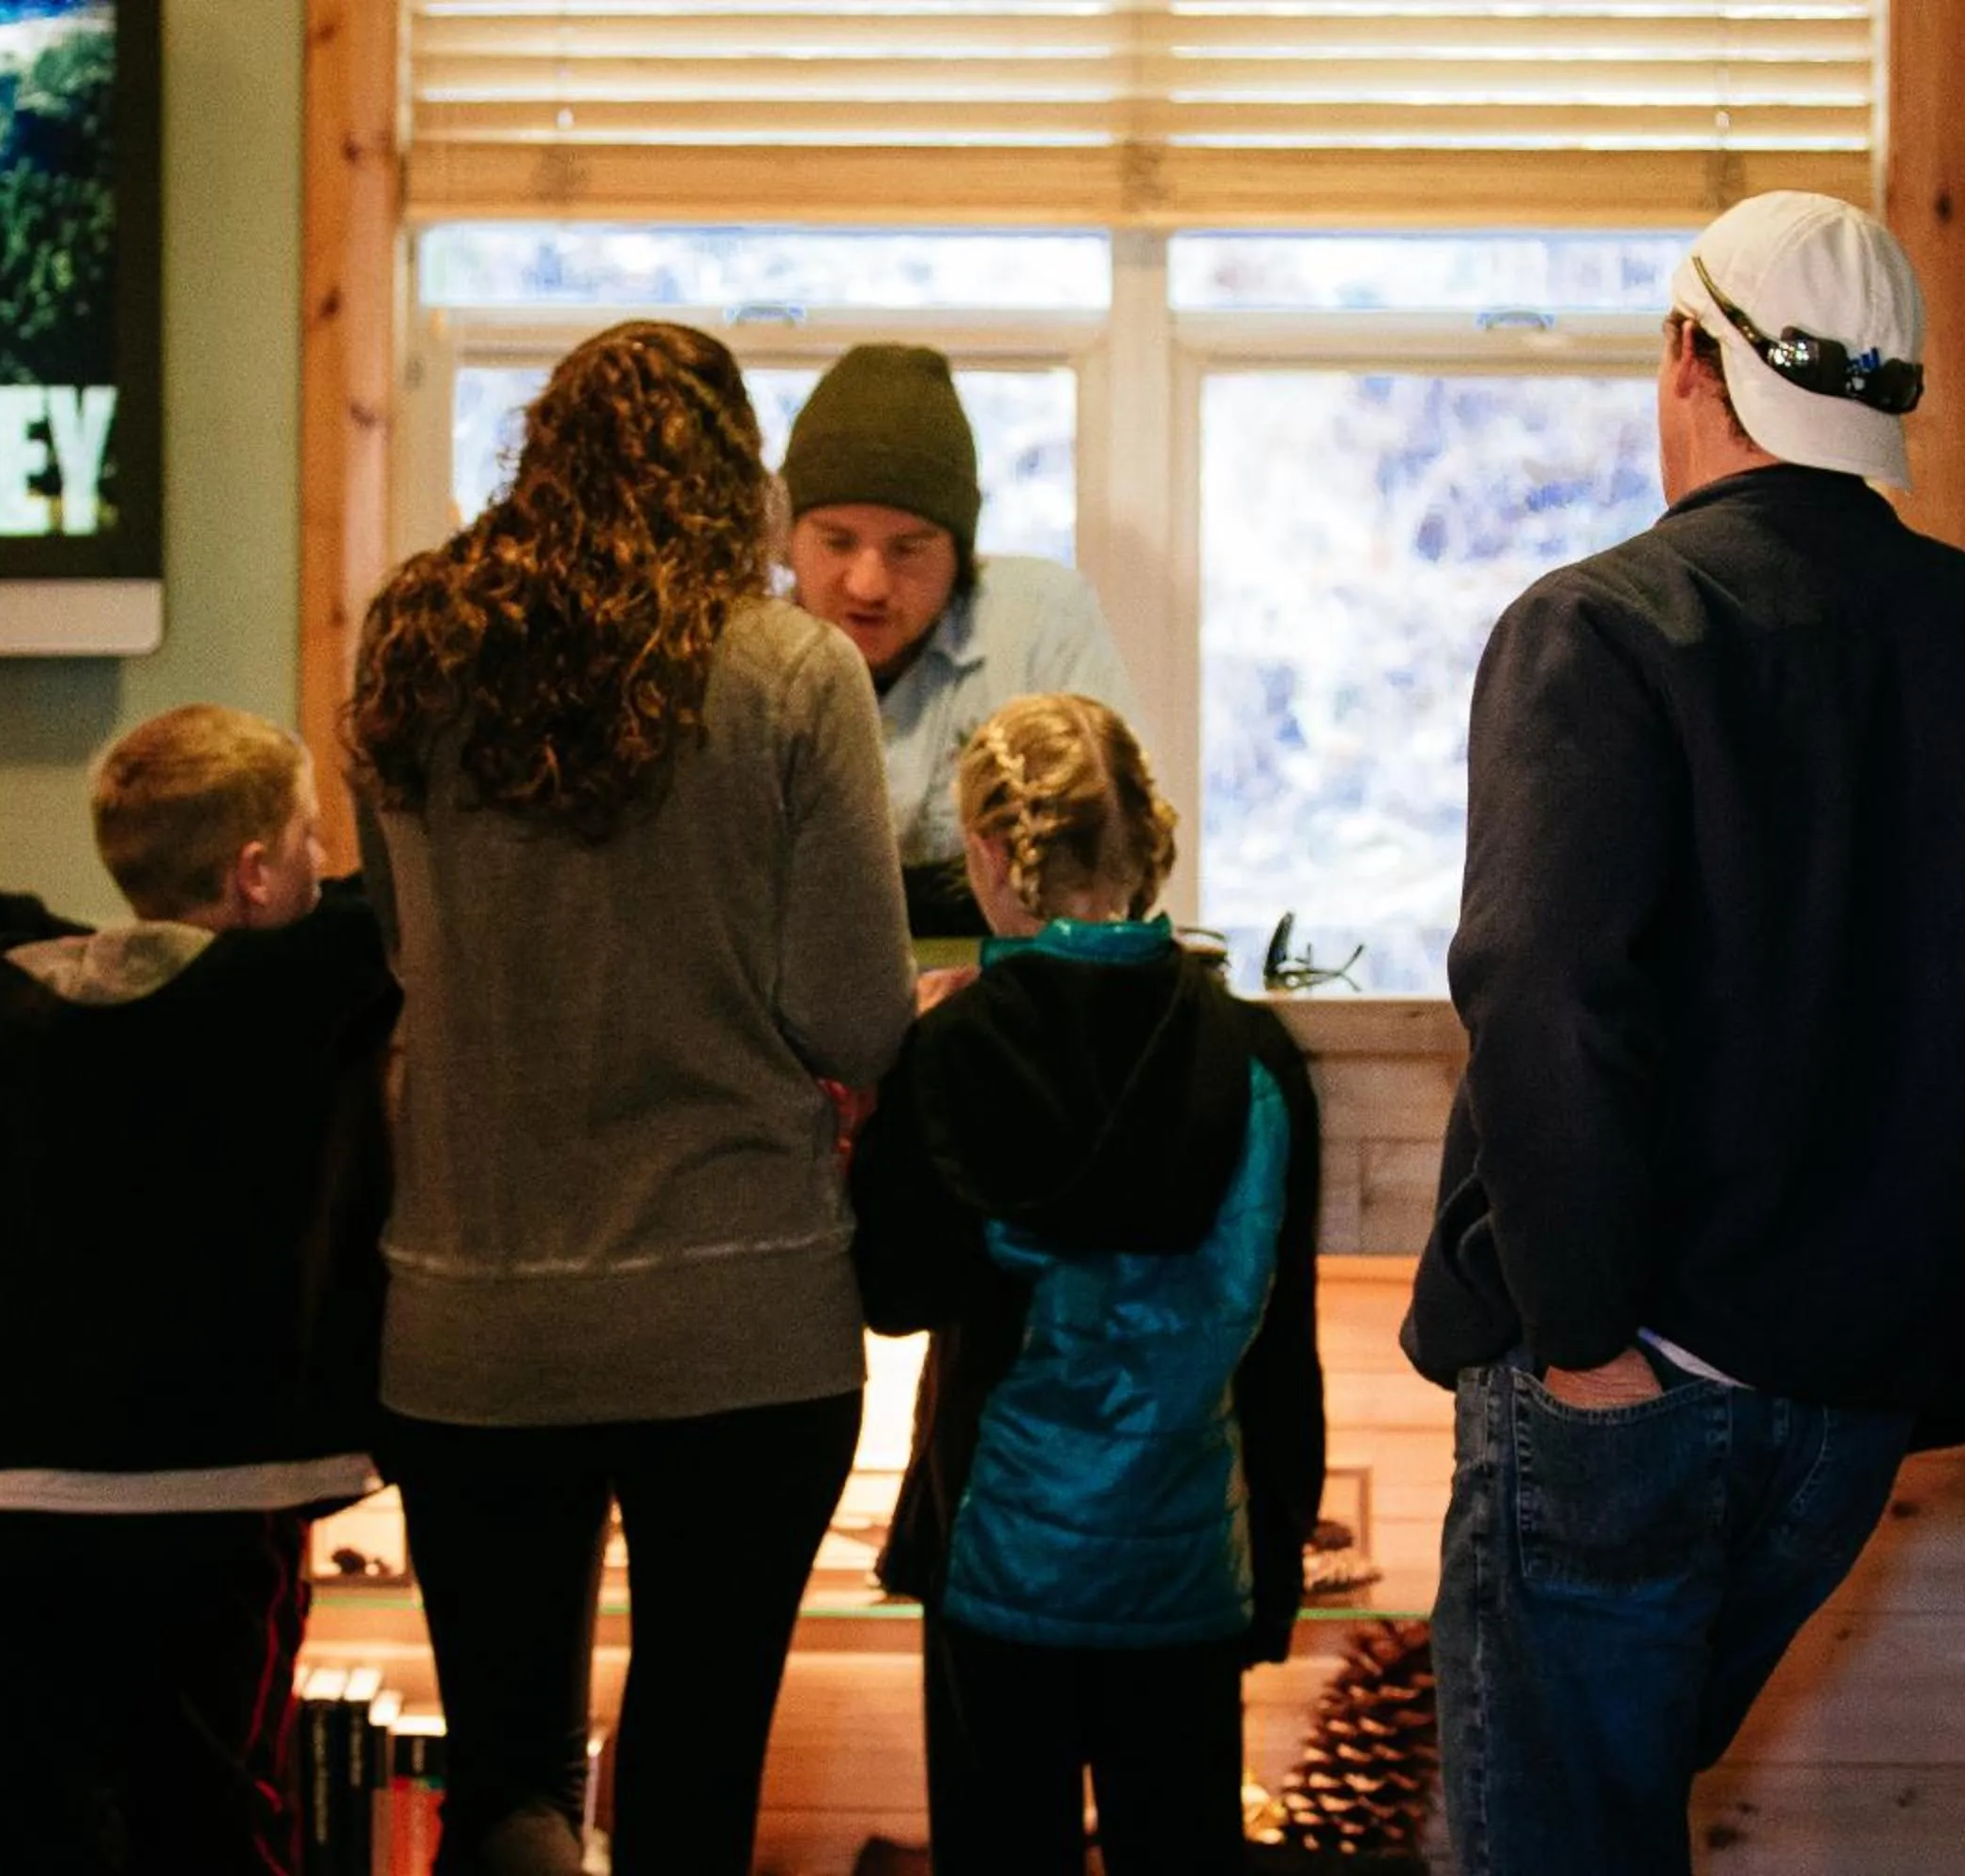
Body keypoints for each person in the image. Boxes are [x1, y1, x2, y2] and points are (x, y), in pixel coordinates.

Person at [1401, 190, 1965, 1873]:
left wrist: (1582, 1348)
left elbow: (1544, 991)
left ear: (1689, 357)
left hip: (1623, 1380)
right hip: (1854, 1404)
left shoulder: (1599, 628)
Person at [345, 320, 914, 1876]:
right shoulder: (792, 669)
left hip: (471, 1325)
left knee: (508, 1784)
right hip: (740, 1323)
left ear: (542, 452)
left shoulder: (409, 647)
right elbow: (854, 1013)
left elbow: (405, 948)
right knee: (693, 1777)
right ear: (738, 477)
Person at [0, 703, 401, 1876]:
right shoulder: (304, 979)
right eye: (307, 841)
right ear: (256, 868)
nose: (324, 866)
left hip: (24, 1497)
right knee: (218, 1827)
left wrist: (23, 914)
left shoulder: (8, 994)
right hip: (224, 1493)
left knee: (38, 1834)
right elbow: (422, 902)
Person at [849, 693, 1324, 1876]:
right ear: (1147, 847)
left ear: (999, 857)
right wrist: (1274, 1583)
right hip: (1191, 1566)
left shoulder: (958, 1044)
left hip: (1001, 1557)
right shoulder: (1258, 1062)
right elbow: (1281, 1355)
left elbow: (894, 1290)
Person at [781, 342, 1141, 933]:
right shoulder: (739, 653)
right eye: (837, 542)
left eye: (909, 549)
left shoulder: (1041, 621)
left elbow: (1109, 861)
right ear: (784, 537)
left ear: (962, 552)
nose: (868, 584)